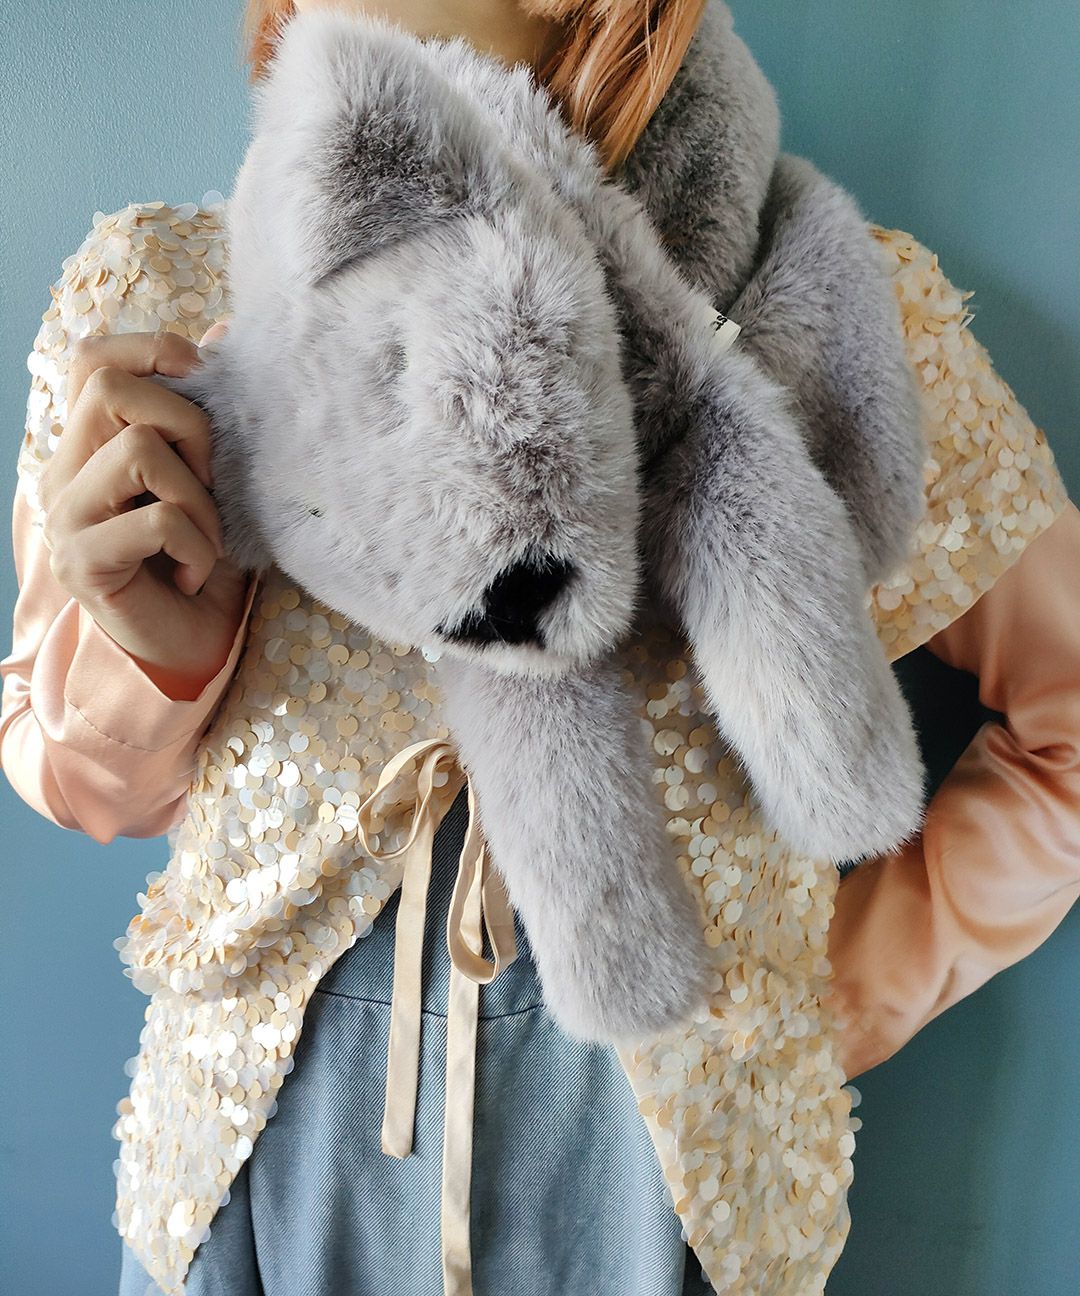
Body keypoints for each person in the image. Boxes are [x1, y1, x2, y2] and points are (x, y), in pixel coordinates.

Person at [2, 2, 1078, 1294]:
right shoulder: (164, 297)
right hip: (251, 1170)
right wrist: (153, 658)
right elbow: (67, 776)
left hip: (672, 1191)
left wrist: (825, 998)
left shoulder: (841, 324)